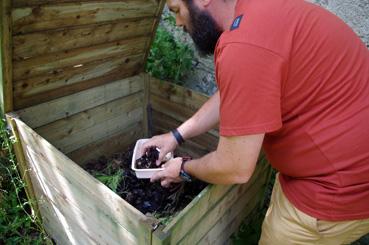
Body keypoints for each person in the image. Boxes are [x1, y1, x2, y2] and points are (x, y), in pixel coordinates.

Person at [142, 0, 369, 243]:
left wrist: (184, 169)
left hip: (337, 188)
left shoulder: (244, 46)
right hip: (338, 161)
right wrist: (176, 135)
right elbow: (240, 89)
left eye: (177, 10)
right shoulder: (259, 11)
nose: (177, 22)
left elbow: (234, 167)